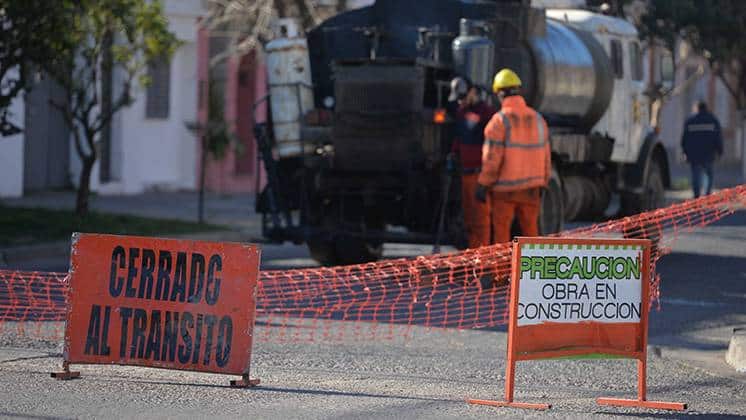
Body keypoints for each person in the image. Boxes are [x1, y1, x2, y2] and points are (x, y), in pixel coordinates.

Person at [475, 69, 551, 244]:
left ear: (501, 93)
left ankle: (502, 271)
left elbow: (492, 159)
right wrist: (544, 182)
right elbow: (546, 156)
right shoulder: (538, 119)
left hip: (505, 190)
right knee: (531, 233)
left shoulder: (499, 121)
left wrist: (483, 184)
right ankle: (532, 270)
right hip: (532, 188)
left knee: (501, 235)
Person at [448, 77, 496, 248]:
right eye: (458, 98)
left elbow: (494, 144)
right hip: (465, 173)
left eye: (463, 97)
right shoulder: (461, 112)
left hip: (479, 174)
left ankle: (482, 258)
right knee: (469, 219)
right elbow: (460, 137)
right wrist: (454, 153)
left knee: (481, 220)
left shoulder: (487, 113)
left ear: (473, 91)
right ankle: (473, 256)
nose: (460, 101)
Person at [681, 100, 723, 198]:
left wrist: (685, 152)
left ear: (697, 108)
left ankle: (697, 197)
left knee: (696, 175)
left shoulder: (690, 121)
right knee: (709, 174)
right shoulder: (713, 120)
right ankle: (707, 195)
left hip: (694, 154)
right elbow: (718, 137)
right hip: (709, 153)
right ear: (706, 108)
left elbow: (684, 139)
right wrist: (720, 151)